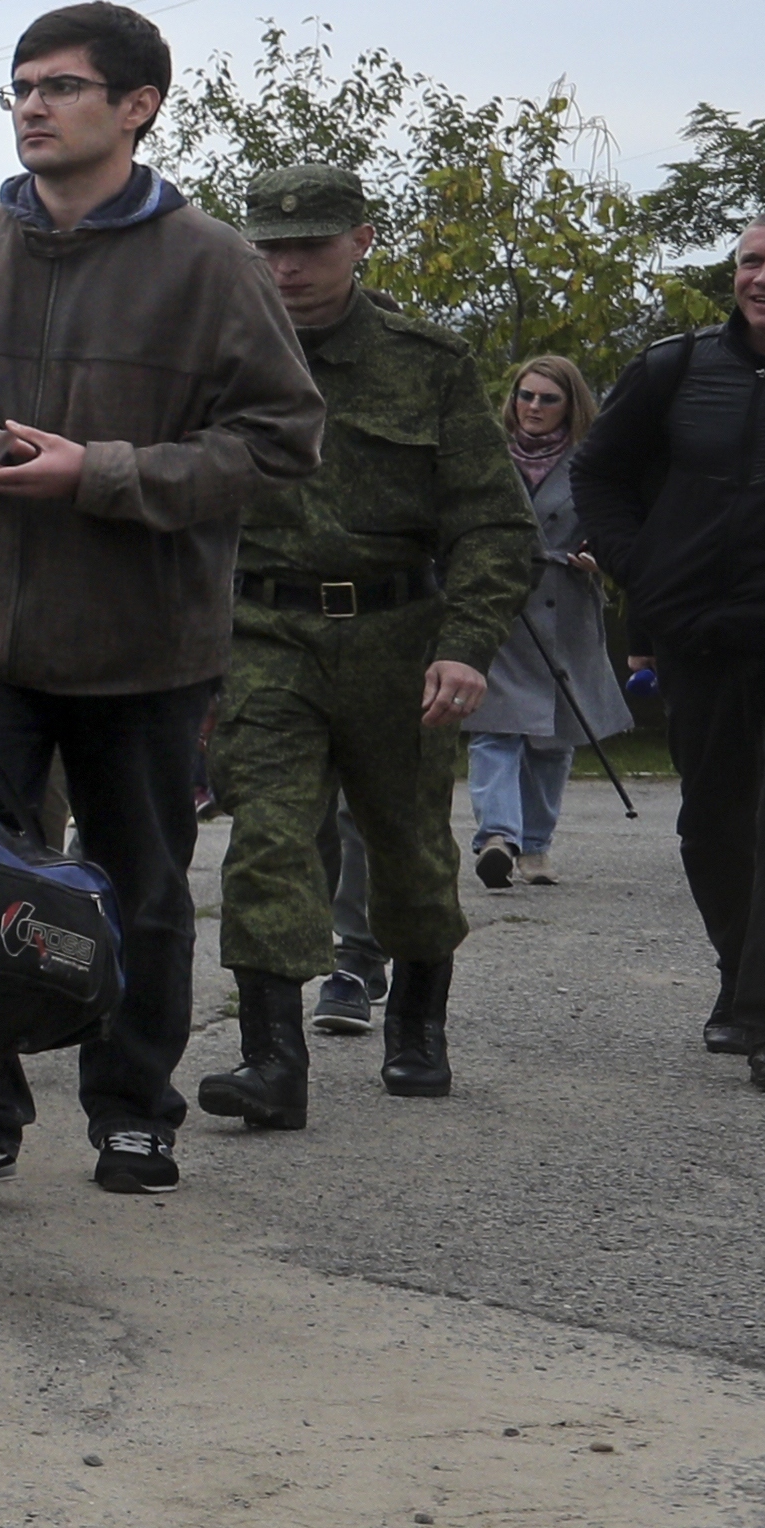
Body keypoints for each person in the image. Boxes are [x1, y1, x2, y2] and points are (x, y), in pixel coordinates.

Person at [0, 4, 320, 1194]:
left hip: (144, 645)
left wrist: (105, 472)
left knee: (139, 893)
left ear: (137, 107)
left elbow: (284, 443)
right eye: (20, 87)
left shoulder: (213, 262)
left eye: (63, 87)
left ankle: (134, 1112)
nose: (33, 106)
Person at [190, 169, 529, 1124]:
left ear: (363, 241)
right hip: (262, 632)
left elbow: (493, 525)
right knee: (266, 839)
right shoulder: (217, 360)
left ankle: (416, 1024)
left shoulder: (429, 363)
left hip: (397, 638)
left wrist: (465, 645)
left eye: (311, 246)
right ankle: (271, 1062)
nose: (287, 266)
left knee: (410, 848)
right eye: (270, 247)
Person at [575, 211, 765, 1090]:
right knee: (713, 822)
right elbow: (600, 473)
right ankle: (741, 981)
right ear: (731, 274)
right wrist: (640, 571)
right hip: (698, 630)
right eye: (752, 261)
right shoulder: (673, 367)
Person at [466, 353, 626, 886]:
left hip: (567, 606)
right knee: (494, 726)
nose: (533, 407)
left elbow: (618, 523)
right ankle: (498, 837)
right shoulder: (485, 455)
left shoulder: (595, 461)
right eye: (525, 395)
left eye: (547, 398)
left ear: (570, 405)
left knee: (555, 738)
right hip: (500, 606)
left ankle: (535, 844)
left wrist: (600, 556)